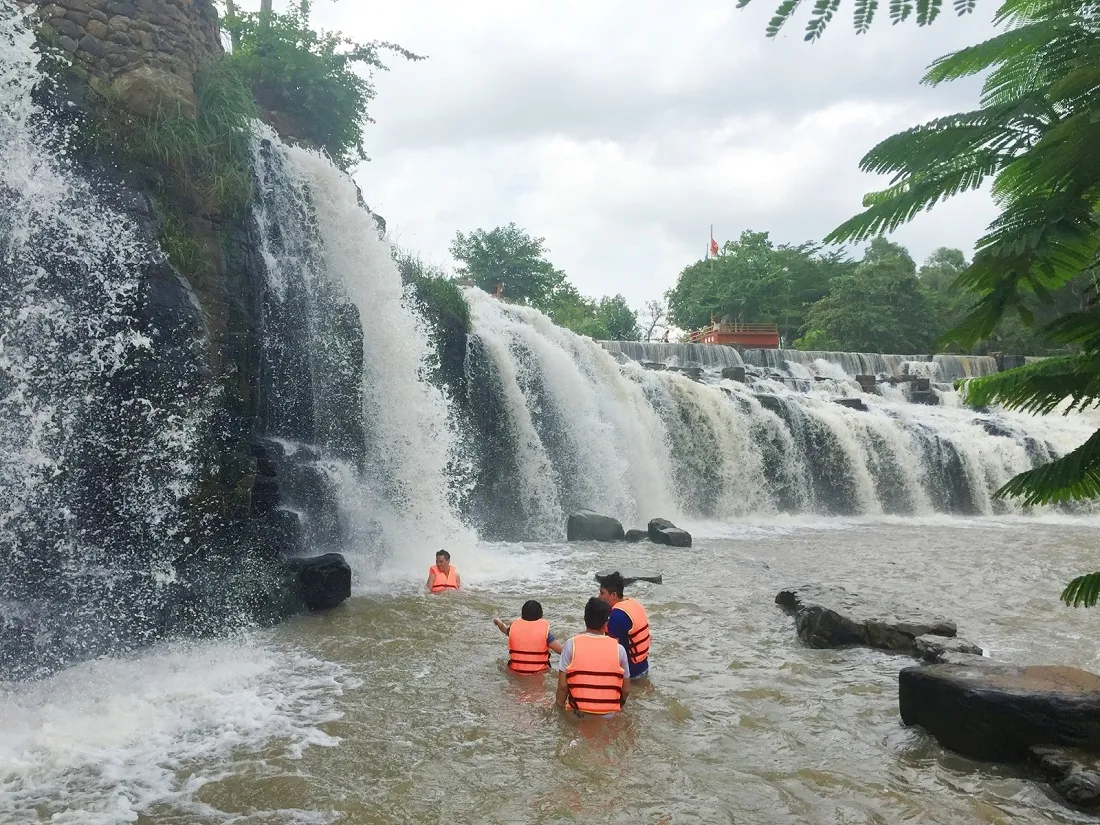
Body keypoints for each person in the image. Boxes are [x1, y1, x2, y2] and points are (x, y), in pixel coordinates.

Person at [556, 597, 630, 716]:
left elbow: (563, 687)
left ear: (585, 619)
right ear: (606, 623)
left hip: (579, 713)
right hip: (609, 714)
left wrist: (558, 709)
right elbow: (626, 690)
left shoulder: (571, 644)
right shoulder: (619, 649)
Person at [598, 571, 650, 679]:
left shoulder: (617, 616)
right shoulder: (634, 604)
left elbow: (612, 652)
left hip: (630, 674)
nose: (599, 597)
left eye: (602, 593)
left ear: (613, 595)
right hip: (643, 667)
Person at [493, 600, 564, 674]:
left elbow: (503, 627)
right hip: (539, 674)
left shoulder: (513, 630)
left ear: (522, 616)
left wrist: (498, 621)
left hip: (515, 672)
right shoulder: (546, 635)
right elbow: (562, 651)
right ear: (540, 616)